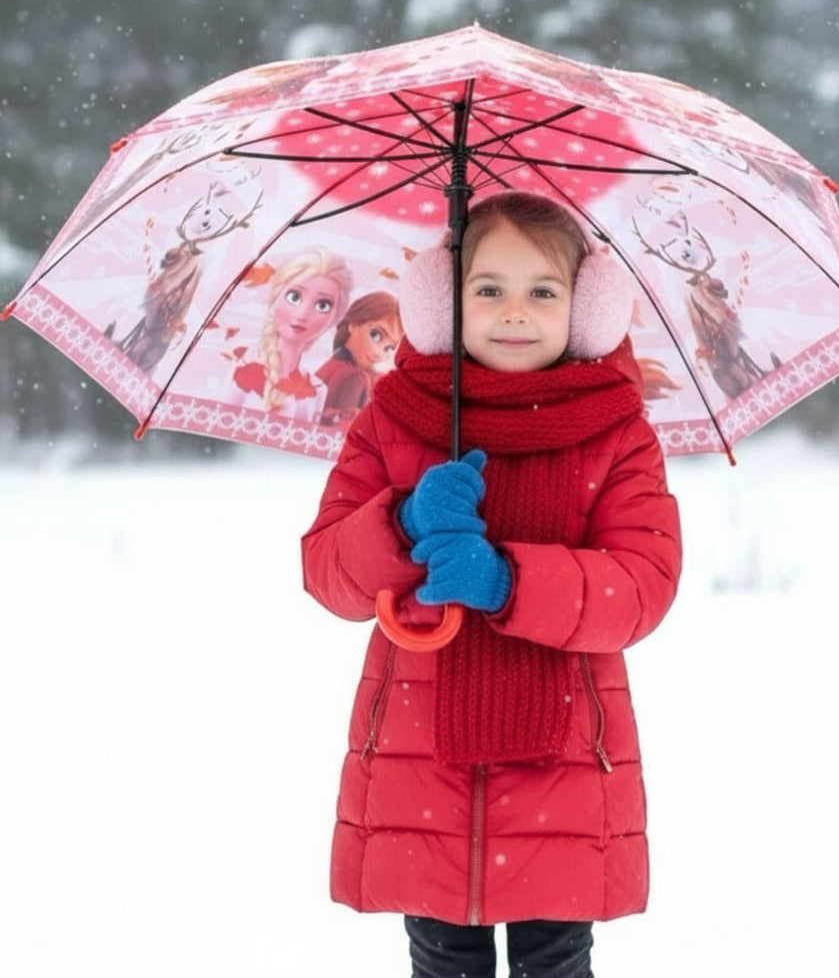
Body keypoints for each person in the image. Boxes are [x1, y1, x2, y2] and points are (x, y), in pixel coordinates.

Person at [301, 191, 682, 978]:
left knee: (554, 962)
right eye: (489, 289)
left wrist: (508, 580)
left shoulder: (616, 432)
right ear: (444, 303)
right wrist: (402, 522)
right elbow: (327, 574)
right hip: (420, 750)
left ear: (585, 309)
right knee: (442, 962)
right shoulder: (394, 420)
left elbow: (641, 586)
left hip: (569, 761)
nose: (516, 312)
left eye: (543, 290)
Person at [232, 247, 352, 421]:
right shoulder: (243, 371)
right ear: (275, 298)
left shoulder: (317, 389)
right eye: (294, 297)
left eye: (323, 305)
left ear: (335, 318)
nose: (303, 315)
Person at [316, 291, 403, 426]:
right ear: (353, 325)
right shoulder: (354, 377)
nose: (378, 352)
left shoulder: (333, 365)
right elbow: (343, 432)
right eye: (375, 335)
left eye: (389, 348)